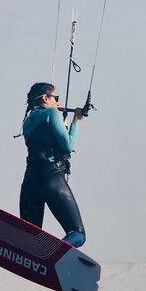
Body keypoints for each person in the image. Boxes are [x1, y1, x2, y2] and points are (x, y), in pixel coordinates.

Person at [19, 82, 87, 248]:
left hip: (30, 181)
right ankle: (52, 253)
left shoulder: (27, 120)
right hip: (52, 180)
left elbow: (44, 137)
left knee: (31, 236)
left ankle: (28, 252)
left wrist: (59, 119)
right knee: (77, 234)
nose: (58, 103)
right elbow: (68, 145)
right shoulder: (52, 113)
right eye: (56, 98)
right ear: (45, 98)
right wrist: (76, 122)